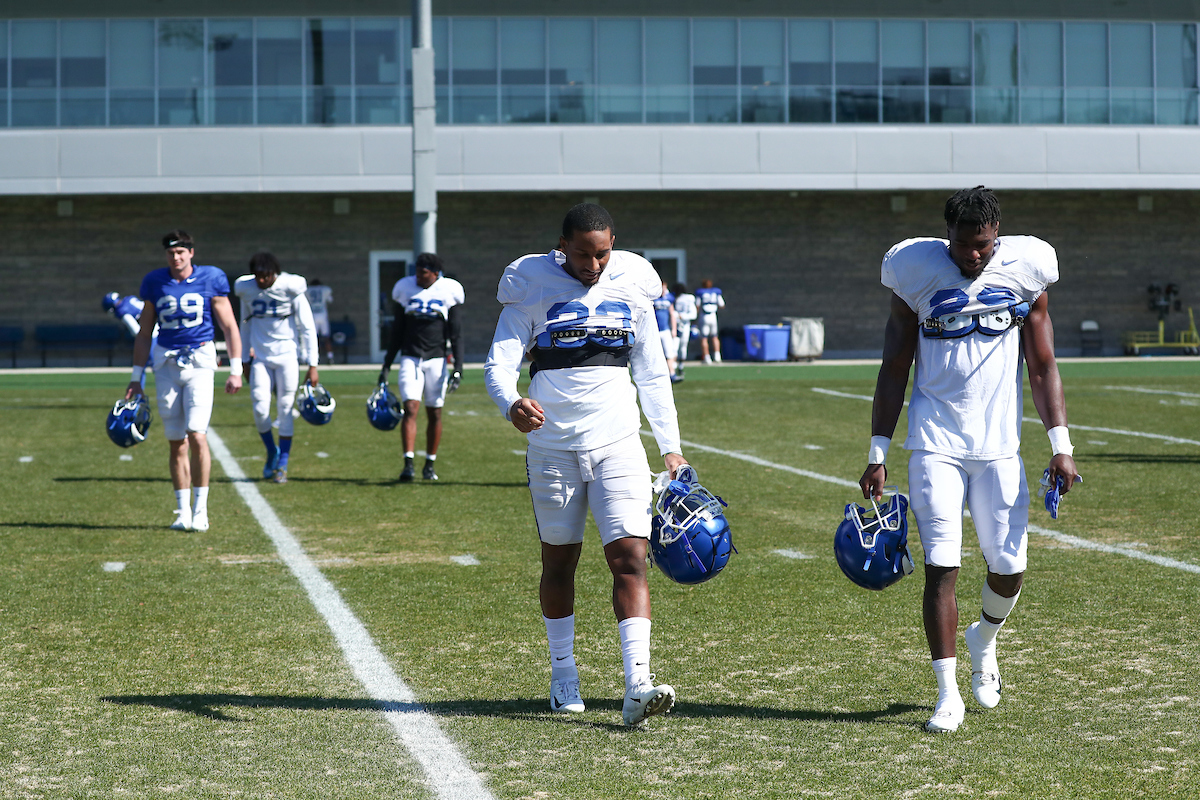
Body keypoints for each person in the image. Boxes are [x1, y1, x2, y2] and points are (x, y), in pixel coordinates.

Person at [859, 186, 1080, 734]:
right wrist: (878, 452)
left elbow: (1042, 365)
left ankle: (984, 637)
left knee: (1008, 569)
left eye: (982, 246)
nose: (972, 256)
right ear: (946, 236)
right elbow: (894, 365)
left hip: (999, 445)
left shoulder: (1027, 270)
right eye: (962, 245)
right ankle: (947, 692)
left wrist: (1061, 445)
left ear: (996, 236)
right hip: (935, 440)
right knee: (942, 566)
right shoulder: (916, 269)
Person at [484, 202, 687, 729]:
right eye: (581, 254)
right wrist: (510, 402)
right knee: (560, 561)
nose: (593, 265)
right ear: (562, 246)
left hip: (618, 440)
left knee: (630, 557)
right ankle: (563, 672)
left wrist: (671, 444)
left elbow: (651, 372)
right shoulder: (531, 282)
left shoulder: (634, 281)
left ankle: (637, 684)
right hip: (552, 446)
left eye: (602, 253)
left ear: (614, 243)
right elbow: (499, 360)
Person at [126, 230, 242, 532]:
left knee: (197, 435)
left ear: (191, 252)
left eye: (180, 252)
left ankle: (201, 510)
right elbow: (144, 332)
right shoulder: (154, 281)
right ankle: (182, 511)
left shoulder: (211, 278)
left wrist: (236, 368)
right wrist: (135, 377)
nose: (175, 258)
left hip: (200, 361)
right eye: (170, 253)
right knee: (176, 441)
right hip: (165, 363)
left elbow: (229, 325)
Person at [234, 252, 320, 484]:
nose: (262, 280)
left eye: (267, 276)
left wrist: (313, 365)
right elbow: (244, 325)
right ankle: (271, 450)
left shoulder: (291, 287)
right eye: (258, 276)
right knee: (260, 408)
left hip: (287, 356)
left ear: (276, 273)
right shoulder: (246, 288)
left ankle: (283, 462)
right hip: (261, 358)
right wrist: (244, 360)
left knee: (285, 407)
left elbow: (308, 328)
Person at [379, 252, 464, 482]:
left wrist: (458, 366)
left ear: (435, 273)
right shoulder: (405, 289)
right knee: (411, 408)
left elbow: (455, 334)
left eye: (423, 272)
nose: (417, 276)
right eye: (416, 271)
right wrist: (386, 365)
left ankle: (429, 464)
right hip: (410, 357)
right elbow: (396, 332)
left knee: (435, 411)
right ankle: (408, 464)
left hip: (437, 359)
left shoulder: (449, 290)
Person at [694, 279, 725, 363]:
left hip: (704, 316)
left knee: (704, 338)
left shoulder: (700, 293)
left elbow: (697, 305)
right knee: (714, 336)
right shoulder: (716, 292)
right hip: (713, 316)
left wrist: (695, 317)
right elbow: (722, 305)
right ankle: (717, 355)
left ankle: (707, 357)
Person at [672, 282, 697, 382]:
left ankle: (680, 366)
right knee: (676, 346)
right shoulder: (675, 298)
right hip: (677, 324)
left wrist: (681, 316)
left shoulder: (687, 299)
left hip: (683, 324)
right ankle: (674, 367)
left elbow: (693, 314)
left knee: (681, 346)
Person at [306, 279, 335, 364]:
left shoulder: (308, 290)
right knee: (326, 337)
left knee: (314, 338)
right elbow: (330, 300)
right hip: (323, 315)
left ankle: (314, 358)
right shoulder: (325, 289)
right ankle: (330, 357)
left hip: (313, 316)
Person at [653, 281, 678, 378]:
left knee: (669, 352)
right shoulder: (653, 298)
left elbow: (672, 314)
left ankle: (672, 373)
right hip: (655, 330)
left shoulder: (669, 298)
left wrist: (674, 329)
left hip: (665, 329)